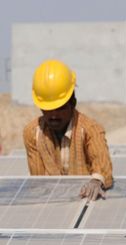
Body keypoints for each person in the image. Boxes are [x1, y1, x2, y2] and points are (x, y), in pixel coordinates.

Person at [23, 59, 113, 200]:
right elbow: (38, 183)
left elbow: (102, 164)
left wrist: (96, 181)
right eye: (48, 109)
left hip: (87, 202)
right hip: (51, 204)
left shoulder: (90, 130)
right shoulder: (32, 133)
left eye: (60, 108)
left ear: (73, 103)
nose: (53, 115)